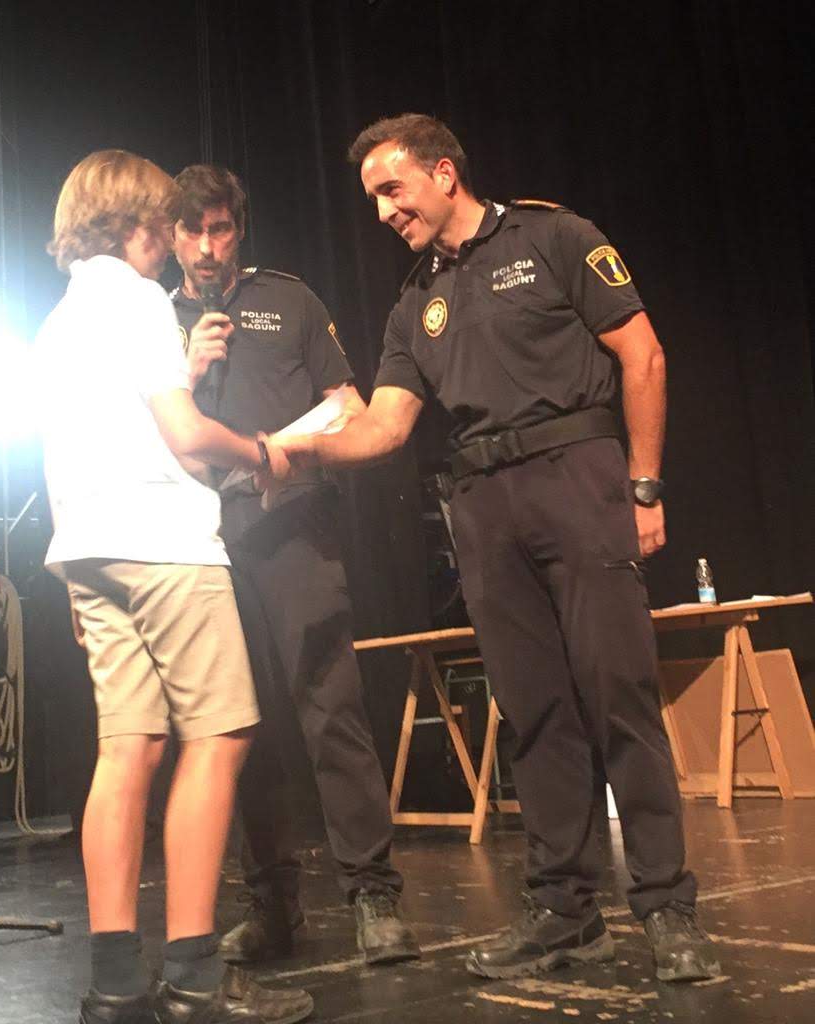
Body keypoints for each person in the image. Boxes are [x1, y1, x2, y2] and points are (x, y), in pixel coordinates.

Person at [264, 114, 721, 984]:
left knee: (618, 694)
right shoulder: (413, 304)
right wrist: (288, 450)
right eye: (372, 199)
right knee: (533, 710)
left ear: (444, 172)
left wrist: (645, 485)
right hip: (481, 506)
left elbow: (644, 356)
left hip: (578, 477)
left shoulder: (555, 237)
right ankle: (566, 913)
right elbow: (385, 427)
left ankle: (668, 908)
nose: (383, 211)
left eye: (392, 189)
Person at [36, 150, 313, 1024]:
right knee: (222, 734)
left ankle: (115, 986)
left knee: (127, 749)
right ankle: (194, 972)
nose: (168, 237)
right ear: (132, 221)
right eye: (161, 221)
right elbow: (186, 436)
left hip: (87, 550)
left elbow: (76, 450)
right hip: (164, 544)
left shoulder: (57, 322)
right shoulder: (139, 301)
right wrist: (264, 454)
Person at [169, 164, 419, 966]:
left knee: (330, 705)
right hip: (203, 543)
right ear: (172, 236)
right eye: (192, 231)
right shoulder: (153, 323)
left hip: (295, 529)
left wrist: (293, 451)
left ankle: (373, 894)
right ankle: (271, 906)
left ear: (239, 231)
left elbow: (349, 409)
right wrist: (188, 369)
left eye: (220, 229)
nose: (207, 247)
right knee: (240, 727)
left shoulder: (289, 299)